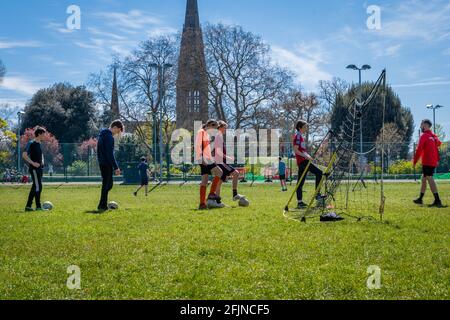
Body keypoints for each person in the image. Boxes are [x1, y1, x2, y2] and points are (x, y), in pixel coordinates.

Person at [213, 121, 246, 206]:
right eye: (224, 127)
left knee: (219, 182)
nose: (225, 129)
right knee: (236, 173)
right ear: (220, 127)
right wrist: (228, 157)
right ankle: (235, 195)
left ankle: (217, 201)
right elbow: (218, 152)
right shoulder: (218, 137)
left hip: (221, 161)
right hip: (221, 162)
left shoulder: (219, 136)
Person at [293, 120, 324, 209]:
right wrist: (305, 157)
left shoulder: (300, 137)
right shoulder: (298, 137)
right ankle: (317, 194)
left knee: (300, 183)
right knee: (319, 173)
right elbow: (296, 150)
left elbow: (302, 150)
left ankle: (300, 203)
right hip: (303, 161)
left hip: (303, 161)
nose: (306, 129)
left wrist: (308, 156)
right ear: (300, 127)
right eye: (305, 127)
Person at [413, 119, 443, 208]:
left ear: (425, 125)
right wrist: (436, 158)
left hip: (427, 161)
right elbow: (439, 144)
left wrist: (415, 161)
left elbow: (419, 149)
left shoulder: (425, 135)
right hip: (432, 161)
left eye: (421, 124)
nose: (420, 126)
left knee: (429, 177)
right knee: (424, 178)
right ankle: (420, 199)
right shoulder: (433, 136)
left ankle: (437, 200)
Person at [195, 119, 223, 210]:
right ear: (210, 125)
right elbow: (197, 145)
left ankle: (202, 204)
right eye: (214, 127)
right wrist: (201, 157)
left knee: (205, 180)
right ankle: (211, 194)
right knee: (219, 172)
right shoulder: (201, 132)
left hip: (207, 158)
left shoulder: (206, 134)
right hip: (204, 158)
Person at [97, 120, 124, 212]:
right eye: (118, 131)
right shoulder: (109, 137)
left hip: (102, 162)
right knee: (107, 185)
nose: (117, 133)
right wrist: (116, 167)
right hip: (106, 163)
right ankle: (102, 205)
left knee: (108, 184)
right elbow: (110, 154)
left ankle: (102, 204)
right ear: (115, 127)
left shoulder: (102, 135)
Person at [23, 126, 46, 212]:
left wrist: (42, 161)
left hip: (40, 169)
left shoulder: (39, 144)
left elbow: (41, 155)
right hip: (34, 169)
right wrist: (33, 163)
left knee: (35, 187)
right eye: (44, 134)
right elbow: (24, 155)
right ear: (39, 134)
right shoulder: (31, 143)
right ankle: (38, 206)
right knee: (38, 186)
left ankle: (28, 206)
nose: (45, 136)